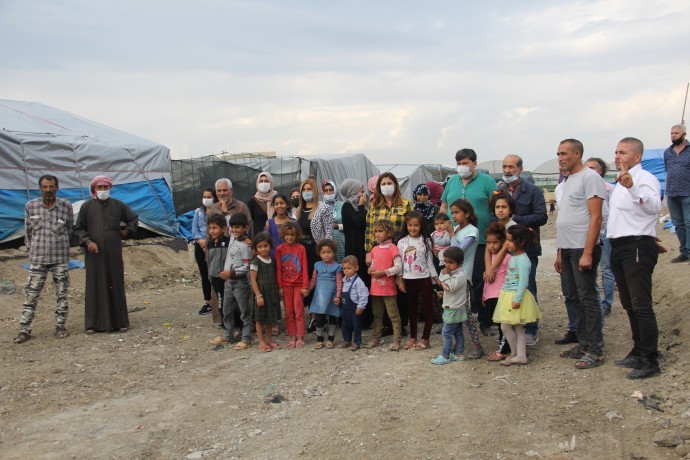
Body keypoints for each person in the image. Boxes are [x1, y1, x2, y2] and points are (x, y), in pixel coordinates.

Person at [608, 137, 663, 379]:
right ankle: (638, 350)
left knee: (641, 304)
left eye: (623, 152)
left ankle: (650, 359)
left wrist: (632, 187)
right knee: (629, 304)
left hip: (636, 246)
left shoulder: (644, 178)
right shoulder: (620, 182)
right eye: (616, 152)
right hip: (619, 247)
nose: (617, 156)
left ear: (637, 157)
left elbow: (654, 206)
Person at [554, 139, 607, 370]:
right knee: (574, 297)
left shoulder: (590, 177)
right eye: (558, 154)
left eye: (564, 153)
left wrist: (588, 252)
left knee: (587, 297)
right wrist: (559, 252)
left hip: (581, 247)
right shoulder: (568, 180)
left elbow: (596, 217)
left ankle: (595, 349)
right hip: (567, 247)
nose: (560, 158)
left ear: (577, 154)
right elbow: (565, 218)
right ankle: (583, 344)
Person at [439, 149, 497, 343]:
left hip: (481, 242)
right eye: (459, 163)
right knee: (455, 282)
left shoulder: (487, 182)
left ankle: (485, 321)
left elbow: (496, 206)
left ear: (474, 163)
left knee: (480, 282)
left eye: (465, 163)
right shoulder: (452, 182)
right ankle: (455, 319)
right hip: (453, 242)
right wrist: (442, 226)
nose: (462, 167)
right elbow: (444, 206)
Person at [14, 175, 73, 344]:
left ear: (57, 188)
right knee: (31, 294)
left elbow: (70, 230)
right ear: (39, 188)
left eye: (51, 187)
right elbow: (28, 232)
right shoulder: (31, 206)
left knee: (62, 294)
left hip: (60, 257)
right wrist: (34, 248)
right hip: (38, 258)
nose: (48, 190)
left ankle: (60, 327)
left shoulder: (65, 206)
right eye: (45, 187)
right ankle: (24, 329)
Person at [75, 176, 138, 334]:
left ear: (110, 188)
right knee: (94, 285)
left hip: (113, 252)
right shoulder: (87, 207)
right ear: (94, 189)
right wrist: (88, 242)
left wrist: (125, 232)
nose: (103, 190)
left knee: (115, 283)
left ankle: (119, 322)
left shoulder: (118, 205)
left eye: (105, 187)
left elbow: (133, 219)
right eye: (99, 187)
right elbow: (79, 228)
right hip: (94, 254)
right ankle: (93, 324)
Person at [498, 154, 548, 346]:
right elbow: (494, 213)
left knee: (527, 287)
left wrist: (514, 220)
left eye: (511, 167)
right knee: (509, 288)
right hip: (505, 249)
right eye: (504, 166)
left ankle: (531, 329)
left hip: (527, 249)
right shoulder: (500, 190)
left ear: (520, 169)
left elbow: (541, 217)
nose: (507, 170)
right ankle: (512, 326)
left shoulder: (533, 191)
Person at [492, 225, 542, 366]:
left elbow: (523, 282)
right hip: (509, 294)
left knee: (505, 327)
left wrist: (517, 299)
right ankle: (520, 355)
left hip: (515, 296)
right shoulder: (514, 257)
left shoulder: (523, 260)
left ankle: (515, 353)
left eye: (510, 240)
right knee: (518, 327)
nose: (506, 244)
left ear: (521, 242)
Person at [397, 211, 438, 350]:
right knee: (412, 309)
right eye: (410, 225)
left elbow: (430, 262)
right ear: (406, 226)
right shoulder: (402, 242)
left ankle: (425, 338)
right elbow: (400, 263)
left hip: (424, 278)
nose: (412, 228)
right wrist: (400, 280)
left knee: (428, 308)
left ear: (421, 226)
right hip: (409, 279)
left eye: (416, 225)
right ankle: (413, 337)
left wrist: (435, 278)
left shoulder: (426, 241)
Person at [447, 199, 484, 359]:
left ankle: (477, 346)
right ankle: (457, 344)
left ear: (467, 214)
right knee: (453, 311)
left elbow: (458, 251)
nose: (453, 216)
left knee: (467, 314)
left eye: (457, 212)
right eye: (452, 212)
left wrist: (451, 234)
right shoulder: (457, 229)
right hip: (453, 276)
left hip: (464, 276)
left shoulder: (472, 231)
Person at [365, 219, 403, 351]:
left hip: (388, 289)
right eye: (375, 231)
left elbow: (398, 267)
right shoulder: (374, 249)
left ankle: (397, 340)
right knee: (377, 314)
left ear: (389, 232)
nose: (377, 234)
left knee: (394, 315)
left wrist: (384, 272)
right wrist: (371, 269)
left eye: (380, 231)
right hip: (375, 289)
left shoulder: (393, 248)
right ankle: (376, 338)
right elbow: (373, 265)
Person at [339, 178, 372, 328]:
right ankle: (356, 319)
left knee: (365, 281)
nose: (363, 195)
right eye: (361, 191)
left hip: (363, 246)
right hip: (354, 247)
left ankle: (367, 317)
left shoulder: (362, 206)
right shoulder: (347, 206)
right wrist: (361, 206)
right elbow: (359, 222)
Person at [585, 157, 615, 318]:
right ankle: (593, 303)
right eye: (587, 167)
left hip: (605, 233)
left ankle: (607, 303)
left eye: (593, 168)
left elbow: (612, 212)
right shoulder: (583, 188)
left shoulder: (609, 188)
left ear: (600, 171)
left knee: (607, 269)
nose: (589, 171)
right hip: (587, 233)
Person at [220, 213, 253, 350]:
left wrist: (232, 272)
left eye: (238, 227)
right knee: (226, 311)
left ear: (245, 228)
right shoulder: (232, 238)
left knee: (245, 313)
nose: (234, 230)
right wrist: (225, 210)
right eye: (232, 227)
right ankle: (229, 335)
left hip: (240, 283)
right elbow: (229, 220)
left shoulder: (246, 246)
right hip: (229, 283)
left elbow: (247, 267)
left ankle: (246, 338)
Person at [431, 246, 468, 365]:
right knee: (457, 332)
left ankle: (445, 355)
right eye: (446, 262)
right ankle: (458, 354)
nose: (447, 265)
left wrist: (446, 276)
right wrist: (444, 292)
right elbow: (452, 290)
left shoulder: (460, 275)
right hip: (456, 307)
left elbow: (450, 287)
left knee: (446, 333)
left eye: (451, 263)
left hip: (454, 309)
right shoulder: (454, 273)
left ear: (460, 263)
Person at [276, 221, 309, 349]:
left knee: (299, 311)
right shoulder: (279, 249)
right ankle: (292, 336)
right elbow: (278, 269)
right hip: (286, 285)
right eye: (287, 235)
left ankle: (300, 336)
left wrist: (305, 286)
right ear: (283, 235)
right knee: (289, 312)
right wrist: (280, 287)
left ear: (296, 235)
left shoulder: (301, 249)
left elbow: (304, 267)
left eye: (292, 235)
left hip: (298, 285)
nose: (289, 237)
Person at [308, 239, 343, 349]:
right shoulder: (317, 265)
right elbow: (313, 280)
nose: (326, 255)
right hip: (320, 297)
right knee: (320, 318)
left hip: (332, 297)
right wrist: (307, 290)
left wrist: (338, 296)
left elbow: (339, 282)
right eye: (323, 252)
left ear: (334, 253)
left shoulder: (337, 266)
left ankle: (330, 339)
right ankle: (319, 339)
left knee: (333, 317)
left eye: (329, 252)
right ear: (319, 253)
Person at [364, 173, 413, 252]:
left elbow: (412, 226)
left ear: (395, 186)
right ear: (379, 187)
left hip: (400, 248)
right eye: (383, 184)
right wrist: (368, 251)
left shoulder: (405, 204)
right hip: (379, 250)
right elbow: (369, 230)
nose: (386, 186)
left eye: (389, 183)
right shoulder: (374, 206)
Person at [250, 233, 281, 353]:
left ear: (270, 246)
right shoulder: (255, 262)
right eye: (260, 247)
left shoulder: (272, 260)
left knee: (269, 318)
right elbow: (253, 279)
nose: (263, 249)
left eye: (265, 246)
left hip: (271, 292)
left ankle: (269, 340)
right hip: (261, 294)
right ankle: (261, 341)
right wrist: (258, 296)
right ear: (256, 248)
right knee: (259, 318)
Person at [664, 124, 690, 263]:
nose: (673, 135)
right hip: (672, 193)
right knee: (678, 224)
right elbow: (668, 169)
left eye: (676, 133)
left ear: (684, 135)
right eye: (672, 133)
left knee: (689, 223)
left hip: (687, 192)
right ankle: (684, 252)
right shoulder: (668, 152)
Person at [483, 222, 510, 354]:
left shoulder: (507, 257)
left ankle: (503, 351)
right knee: (499, 324)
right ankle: (504, 348)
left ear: (502, 242)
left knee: (503, 325)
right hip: (492, 294)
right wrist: (484, 295)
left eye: (495, 242)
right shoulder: (491, 256)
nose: (491, 246)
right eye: (489, 243)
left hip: (502, 295)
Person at [192, 187, 217, 316]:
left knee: (215, 273)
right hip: (200, 246)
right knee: (204, 274)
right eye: (204, 197)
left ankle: (218, 300)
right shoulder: (198, 212)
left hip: (214, 245)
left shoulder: (217, 212)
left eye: (209, 197)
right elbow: (194, 229)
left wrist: (208, 242)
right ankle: (208, 302)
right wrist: (201, 242)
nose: (206, 199)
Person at [206, 214, 229, 330]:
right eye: (210, 228)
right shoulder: (210, 244)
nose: (212, 231)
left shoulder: (228, 242)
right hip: (214, 277)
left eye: (215, 228)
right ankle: (224, 322)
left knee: (226, 300)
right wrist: (210, 275)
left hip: (225, 277)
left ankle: (231, 323)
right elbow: (209, 261)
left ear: (223, 228)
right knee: (220, 300)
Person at [340, 255, 368, 351]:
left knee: (356, 326)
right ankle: (347, 340)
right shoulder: (344, 281)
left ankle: (357, 342)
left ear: (356, 268)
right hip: (345, 308)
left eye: (349, 268)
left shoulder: (358, 282)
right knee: (345, 326)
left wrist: (361, 306)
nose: (346, 271)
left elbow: (363, 295)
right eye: (344, 269)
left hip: (355, 308)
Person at [247, 171, 277, 238]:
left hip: (276, 237)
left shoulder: (277, 199)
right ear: (257, 183)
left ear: (271, 183)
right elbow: (249, 222)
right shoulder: (253, 201)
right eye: (261, 181)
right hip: (259, 239)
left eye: (266, 181)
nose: (263, 183)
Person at [265, 193, 294, 258]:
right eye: (276, 204)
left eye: (282, 203)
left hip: (291, 258)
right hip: (274, 257)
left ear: (287, 205)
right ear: (274, 206)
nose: (279, 206)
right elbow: (265, 240)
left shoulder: (293, 222)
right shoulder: (269, 223)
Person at [310, 180, 336, 245]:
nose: (329, 193)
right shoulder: (320, 207)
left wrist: (338, 226)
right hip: (324, 242)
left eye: (331, 190)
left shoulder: (341, 205)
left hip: (340, 238)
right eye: (326, 190)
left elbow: (347, 224)